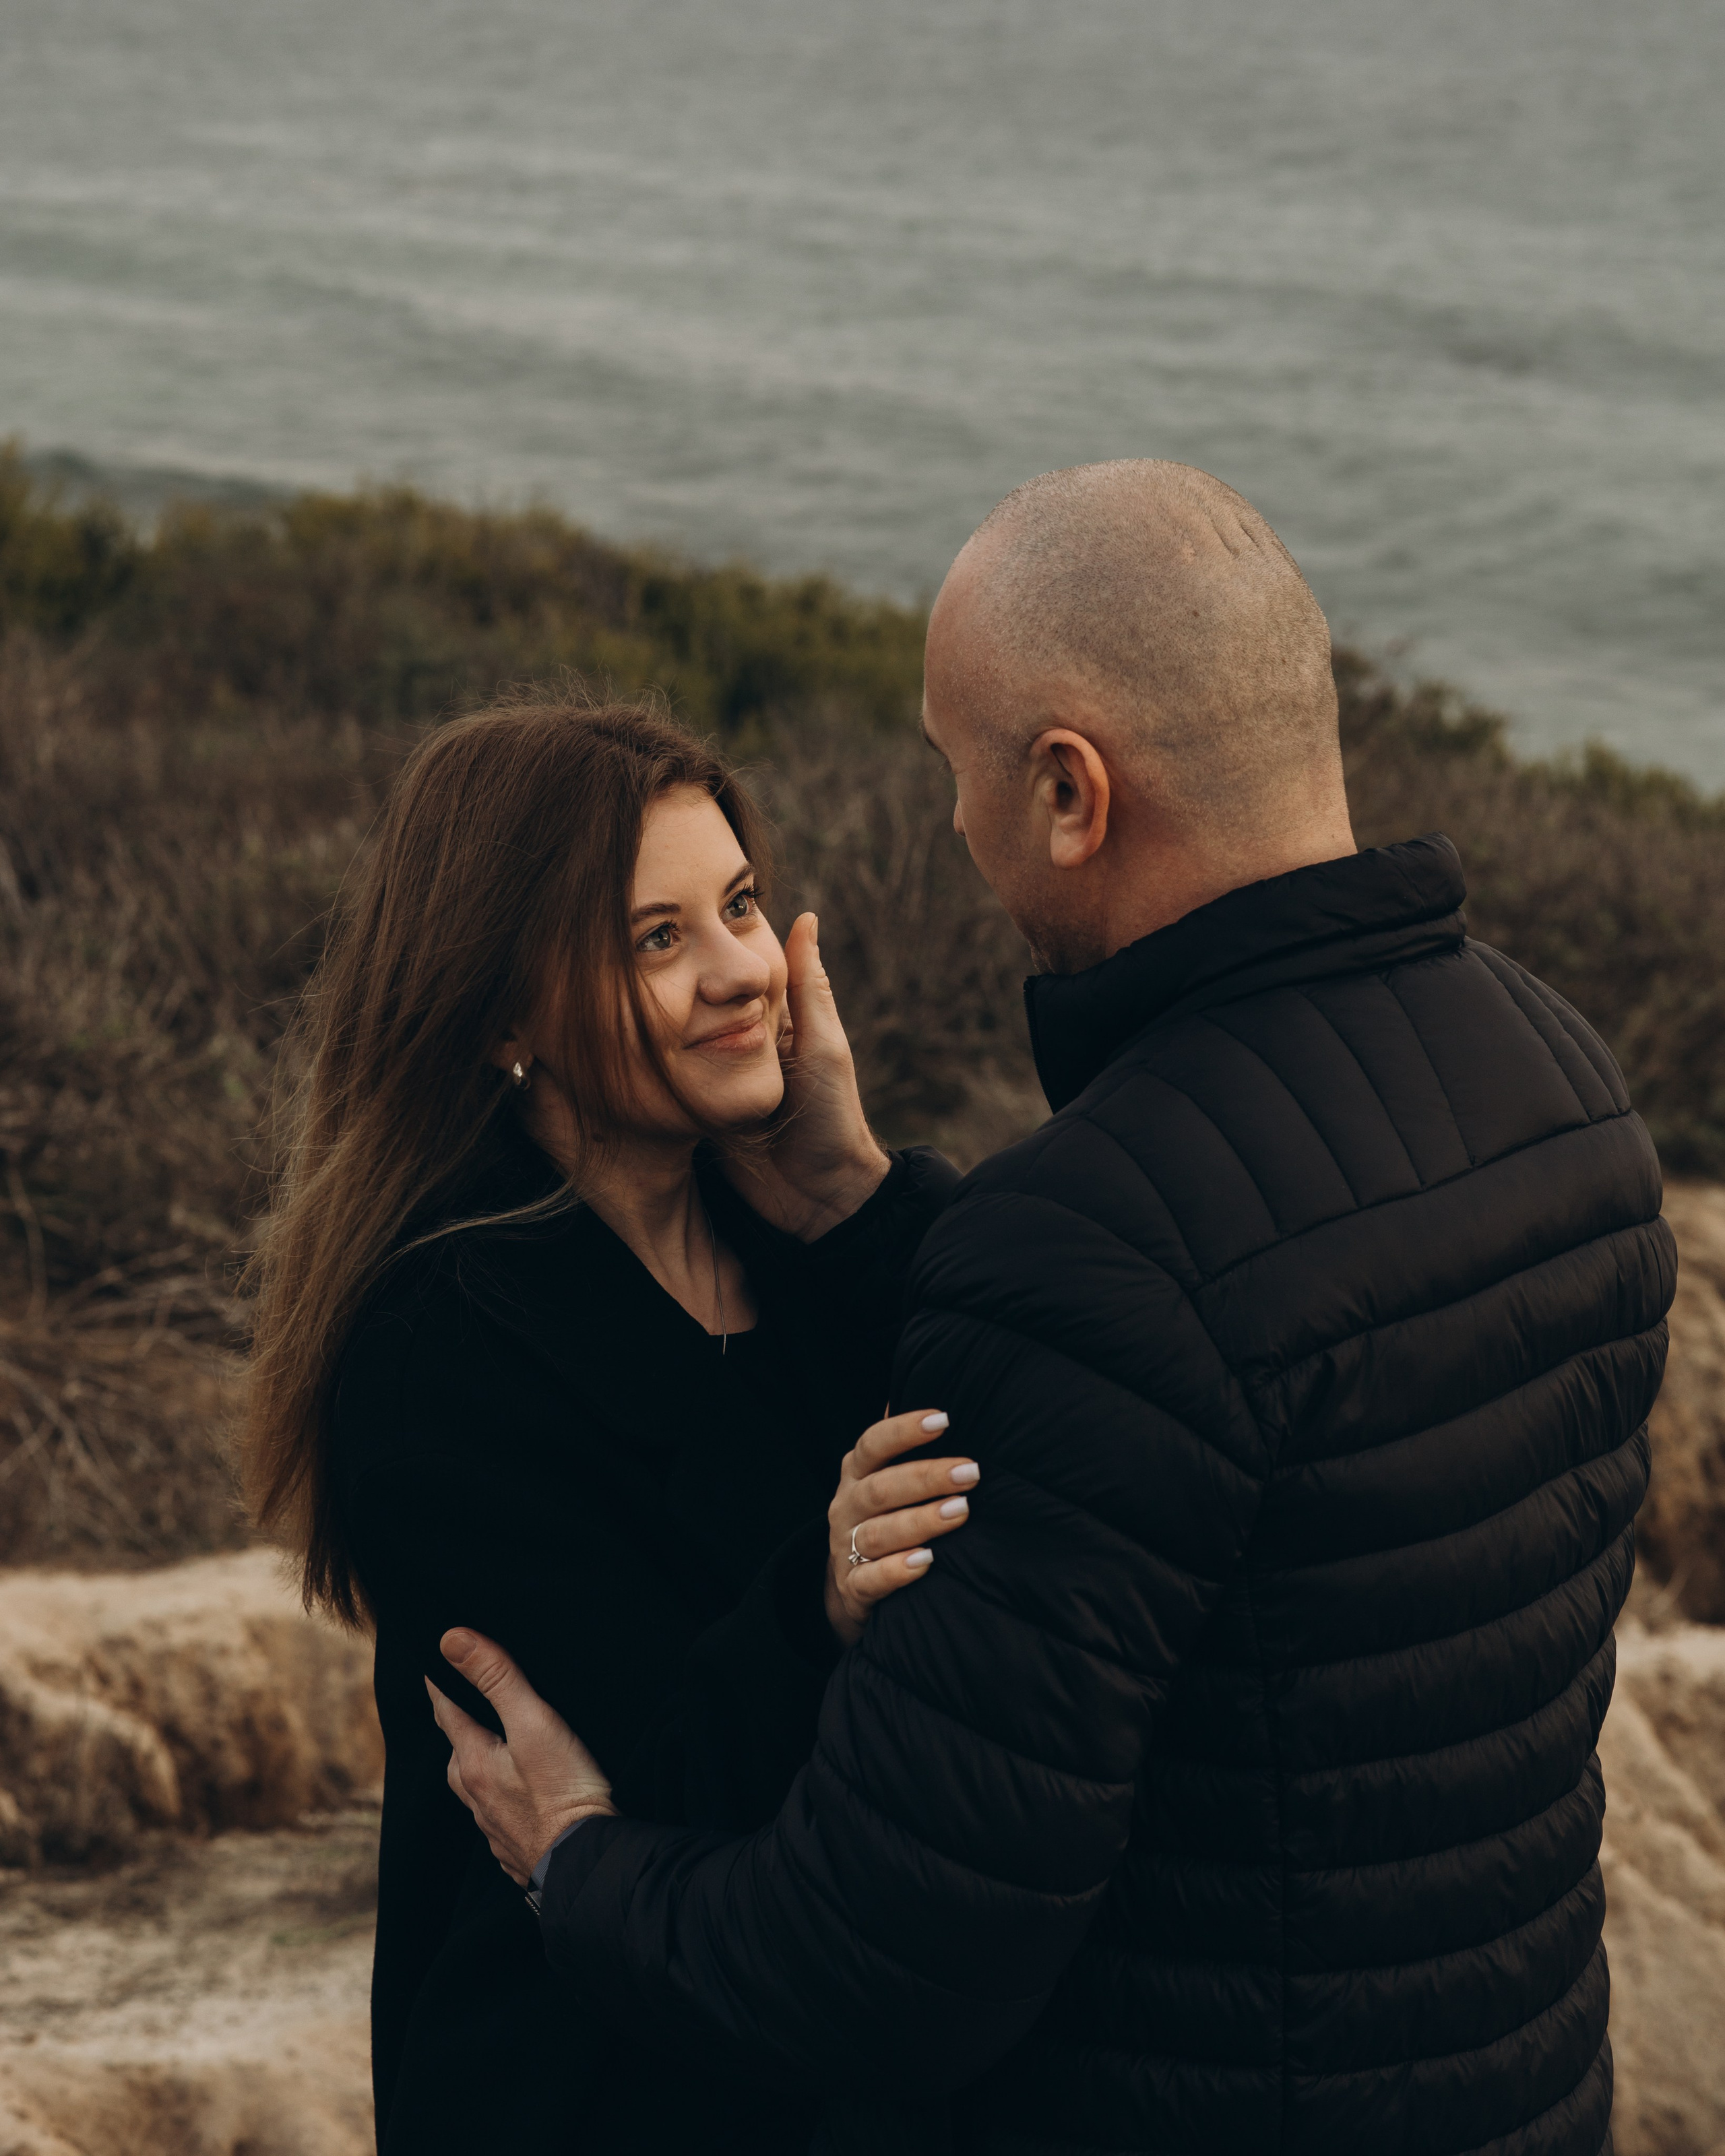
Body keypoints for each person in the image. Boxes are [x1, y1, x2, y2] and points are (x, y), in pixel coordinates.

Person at [437, 464, 1672, 2156]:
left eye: (960, 773)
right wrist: (865, 1208)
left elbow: (876, 1961)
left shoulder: (1086, 1248)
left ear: (1069, 789)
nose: (951, 827)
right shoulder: (1562, 1087)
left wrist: (580, 1861)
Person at [238, 698, 976, 2154]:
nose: (740, 973)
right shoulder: (442, 1338)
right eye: (656, 939)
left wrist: (862, 1193)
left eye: (741, 905)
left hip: (830, 2058)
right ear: (505, 1011)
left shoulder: (796, 1244)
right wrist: (816, 1599)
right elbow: (624, 1799)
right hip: (584, 2087)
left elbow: (1020, 1432)